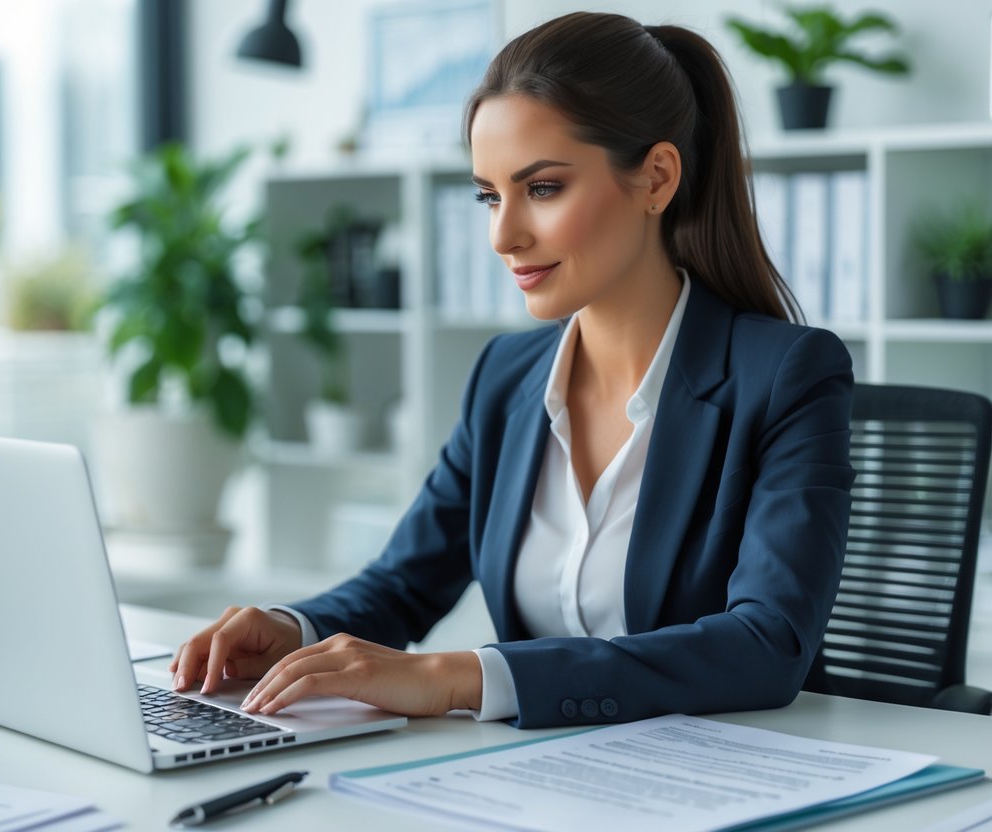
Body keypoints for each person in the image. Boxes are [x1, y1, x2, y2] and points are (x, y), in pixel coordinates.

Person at [168, 11, 854, 728]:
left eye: (543, 188)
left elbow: (766, 644)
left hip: (726, 773)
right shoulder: (506, 375)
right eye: (488, 195)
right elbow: (403, 582)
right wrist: (292, 629)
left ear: (655, 177)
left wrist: (462, 676)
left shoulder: (785, 377)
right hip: (534, 778)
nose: (503, 235)